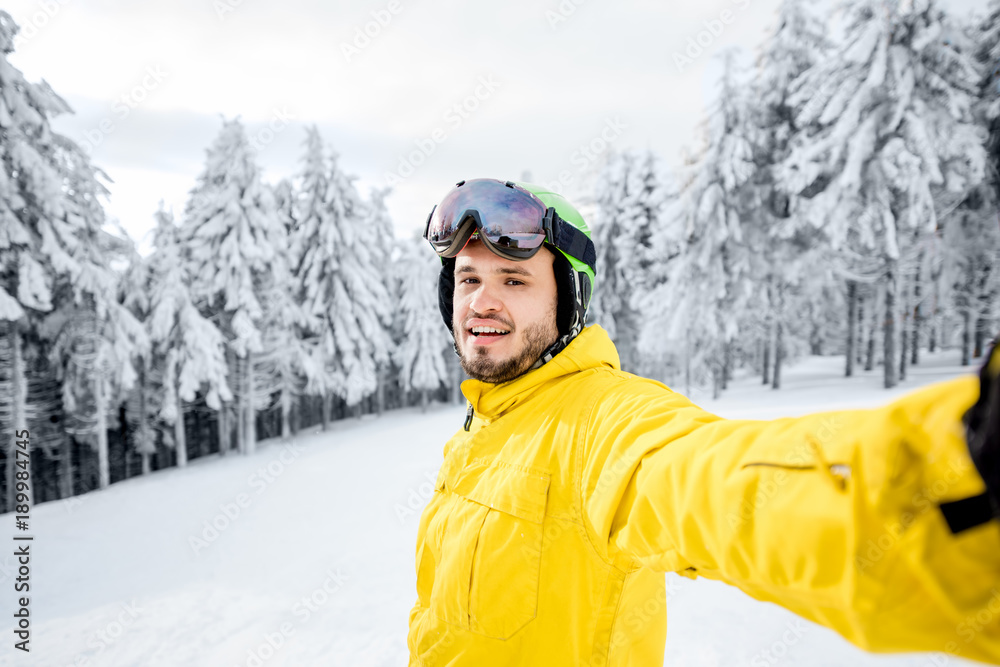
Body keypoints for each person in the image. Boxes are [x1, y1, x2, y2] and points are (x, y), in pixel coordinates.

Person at [407, 178, 1000, 666]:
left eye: (514, 280)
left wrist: (959, 469)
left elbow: (710, 481)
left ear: (566, 300)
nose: (482, 303)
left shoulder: (603, 420)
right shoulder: (481, 429)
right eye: (468, 280)